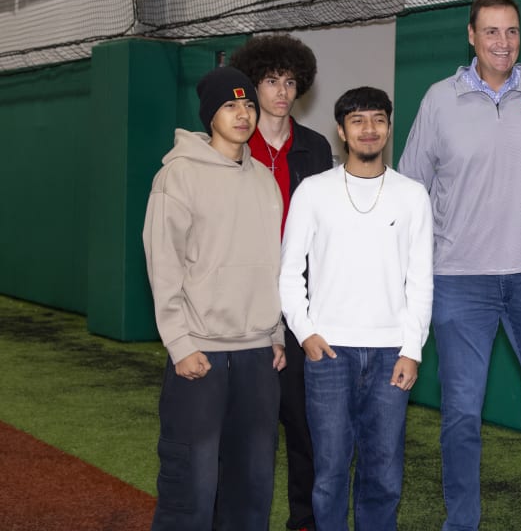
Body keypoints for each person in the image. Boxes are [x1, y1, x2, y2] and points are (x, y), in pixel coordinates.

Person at [398, 0, 521, 531]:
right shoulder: (438, 101)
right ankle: (462, 522)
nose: (502, 43)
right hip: (460, 282)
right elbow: (410, 190)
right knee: (460, 416)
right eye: (491, 32)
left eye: (511, 32)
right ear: (471, 36)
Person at [280, 87, 433, 531]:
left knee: (383, 473)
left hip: (391, 355)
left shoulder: (412, 195)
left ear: (388, 127)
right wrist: (306, 334)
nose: (369, 129)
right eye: (358, 120)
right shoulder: (313, 191)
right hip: (328, 353)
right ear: (342, 131)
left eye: (378, 120)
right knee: (328, 472)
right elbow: (290, 271)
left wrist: (412, 350)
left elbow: (421, 279)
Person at [142, 66, 287, 530]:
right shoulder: (177, 177)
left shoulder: (264, 179)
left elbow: (273, 261)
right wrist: (180, 344)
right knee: (192, 484)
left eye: (248, 105)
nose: (243, 114)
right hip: (200, 352)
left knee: (252, 482)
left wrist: (276, 332)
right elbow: (163, 266)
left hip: (258, 353)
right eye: (230, 105)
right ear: (210, 115)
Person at [230, 33, 334, 531]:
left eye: (290, 82)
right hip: (243, 302)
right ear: (252, 85)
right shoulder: (231, 145)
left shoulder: (314, 148)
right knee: (246, 431)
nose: (281, 91)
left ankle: (305, 520)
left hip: (301, 302)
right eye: (271, 80)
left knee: (304, 425)